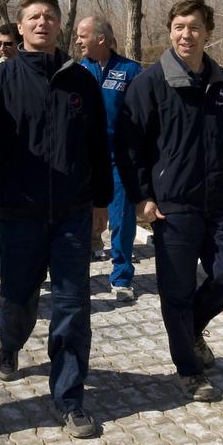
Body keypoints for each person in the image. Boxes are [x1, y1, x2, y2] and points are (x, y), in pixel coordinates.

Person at [0, 0, 112, 438]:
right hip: (18, 213)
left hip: (73, 214)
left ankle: (70, 397)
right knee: (19, 299)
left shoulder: (81, 81)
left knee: (74, 305)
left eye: (50, 17)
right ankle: (10, 341)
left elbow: (98, 146)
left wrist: (101, 203)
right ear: (20, 28)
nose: (42, 22)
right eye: (33, 17)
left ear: (60, 26)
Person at [116, 0, 223, 404]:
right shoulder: (150, 83)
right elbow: (129, 145)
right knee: (175, 291)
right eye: (178, 27)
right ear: (170, 31)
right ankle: (189, 371)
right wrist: (142, 197)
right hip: (173, 206)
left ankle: (191, 327)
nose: (185, 35)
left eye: (193, 27)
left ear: (208, 31)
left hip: (220, 200)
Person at [75, 15, 143, 301]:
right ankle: (76, 275)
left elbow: (142, 117)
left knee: (122, 218)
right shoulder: (77, 71)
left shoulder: (131, 71)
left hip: (118, 159)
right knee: (79, 218)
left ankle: (122, 276)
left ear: (100, 39)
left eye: (82, 35)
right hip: (84, 158)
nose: (77, 41)